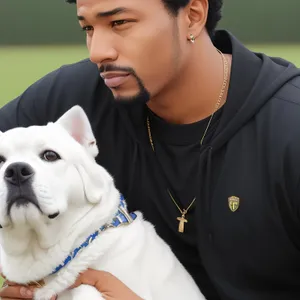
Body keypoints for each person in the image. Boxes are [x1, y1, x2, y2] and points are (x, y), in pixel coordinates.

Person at [0, 0, 300, 299]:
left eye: (120, 23)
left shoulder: (289, 129)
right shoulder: (75, 95)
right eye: (88, 28)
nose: (97, 52)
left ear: (193, 16)